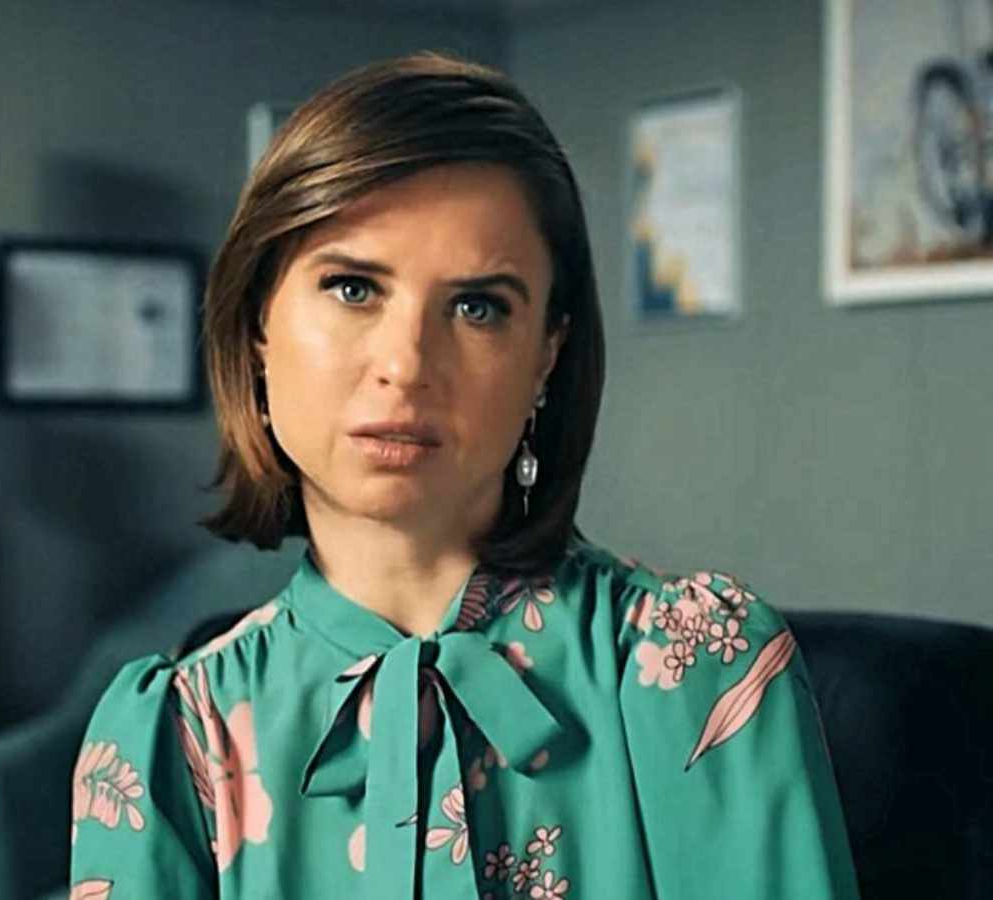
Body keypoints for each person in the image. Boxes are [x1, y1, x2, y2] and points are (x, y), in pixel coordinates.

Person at [68, 51, 861, 899]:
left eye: (477, 307)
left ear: (546, 354)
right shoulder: (176, 736)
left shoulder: (698, 669)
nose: (407, 365)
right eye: (352, 288)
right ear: (258, 321)